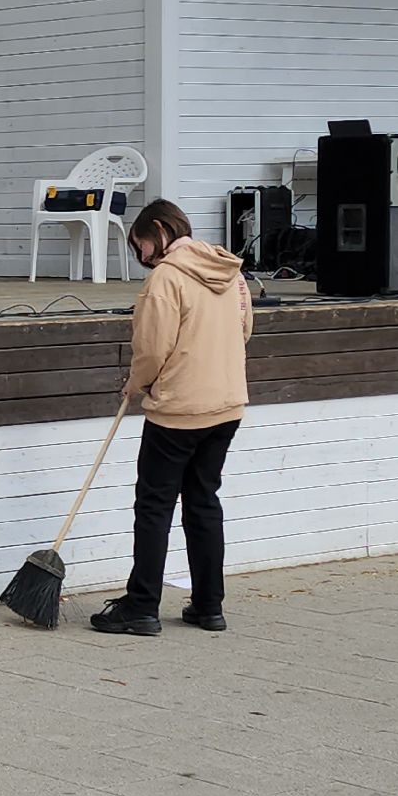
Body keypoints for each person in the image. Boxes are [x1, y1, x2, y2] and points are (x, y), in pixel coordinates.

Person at [91, 201, 252, 637]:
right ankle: (208, 606)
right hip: (227, 405)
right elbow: (244, 330)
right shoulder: (230, 272)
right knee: (203, 501)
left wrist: (137, 384)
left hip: (179, 409)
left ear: (159, 231)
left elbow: (152, 348)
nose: (141, 256)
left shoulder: (166, 279)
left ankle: (141, 607)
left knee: (154, 506)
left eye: (140, 243)